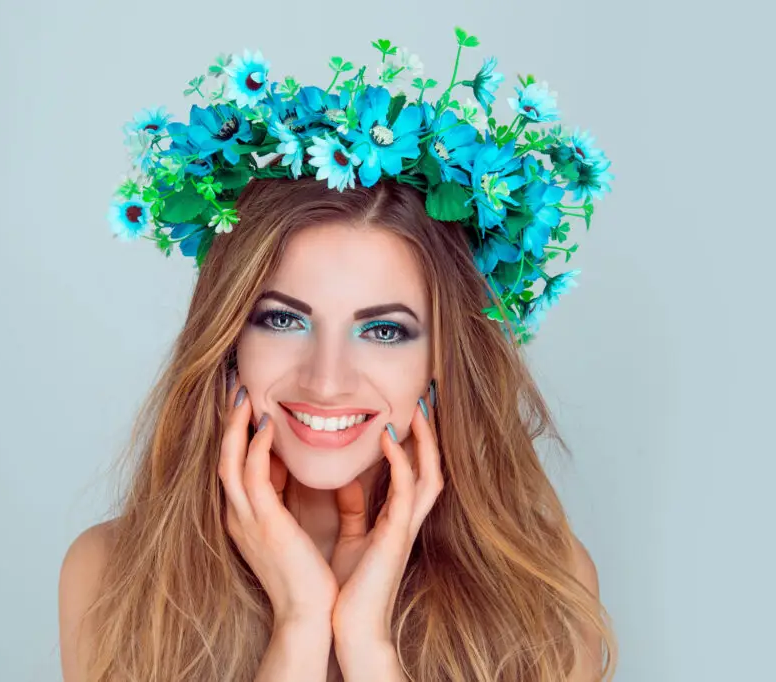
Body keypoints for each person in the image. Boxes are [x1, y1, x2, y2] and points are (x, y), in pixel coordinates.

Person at [60, 31, 617, 682]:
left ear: (440, 359)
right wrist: (299, 626)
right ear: (228, 341)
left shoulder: (544, 587)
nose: (326, 381)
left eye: (383, 332)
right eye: (284, 320)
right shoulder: (111, 574)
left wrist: (366, 648)